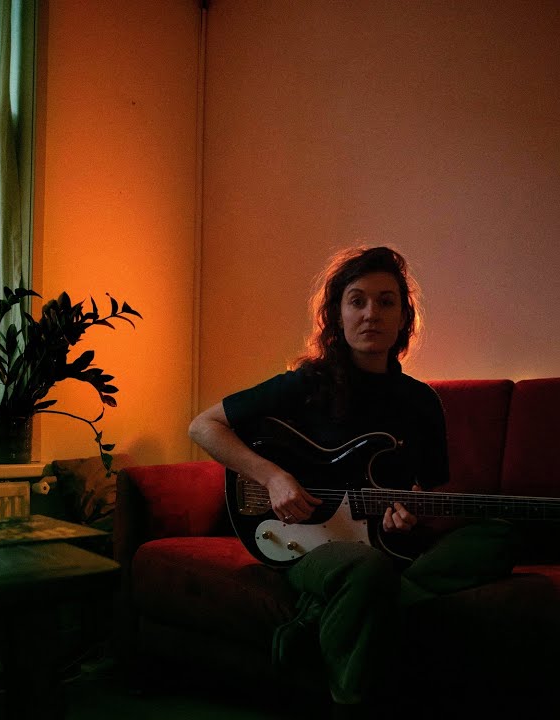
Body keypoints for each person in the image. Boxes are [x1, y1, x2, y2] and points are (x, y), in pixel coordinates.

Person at [188, 245, 515, 717]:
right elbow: (203, 426)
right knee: (366, 567)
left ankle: (316, 618)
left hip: (386, 545)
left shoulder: (421, 402)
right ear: (337, 315)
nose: (371, 313)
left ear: (403, 318)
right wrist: (273, 477)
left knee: (497, 537)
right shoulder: (305, 384)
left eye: (386, 302)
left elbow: (425, 491)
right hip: (304, 542)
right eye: (357, 300)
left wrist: (409, 512)